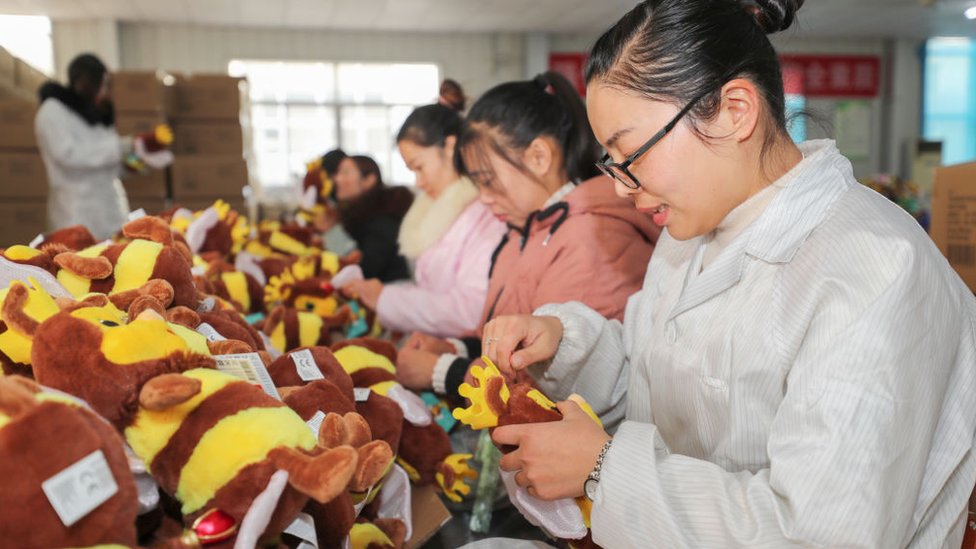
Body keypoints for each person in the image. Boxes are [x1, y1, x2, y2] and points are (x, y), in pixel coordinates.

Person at [481, 1, 976, 547]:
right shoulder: (688, 233)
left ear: (734, 110)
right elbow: (652, 381)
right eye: (610, 161)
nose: (621, 186)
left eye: (631, 153)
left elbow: (819, 533)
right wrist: (564, 346)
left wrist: (604, 470)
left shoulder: (875, 267)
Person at [395, 71, 659, 402]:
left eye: (489, 180)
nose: (484, 198)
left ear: (539, 156)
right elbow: (507, 332)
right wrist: (456, 346)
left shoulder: (591, 236)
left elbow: (553, 384)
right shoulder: (526, 230)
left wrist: (443, 372)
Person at [343, 89, 507, 338]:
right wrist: (387, 294)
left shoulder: (485, 213)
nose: (418, 182)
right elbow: (430, 289)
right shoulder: (437, 210)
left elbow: (470, 309)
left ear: (450, 147)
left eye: (419, 167)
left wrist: (388, 299)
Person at [35, 53, 167, 240]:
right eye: (101, 84)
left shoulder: (96, 115)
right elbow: (69, 156)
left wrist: (139, 162)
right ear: (82, 83)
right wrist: (125, 144)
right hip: (76, 214)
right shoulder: (53, 111)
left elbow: (111, 165)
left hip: (112, 213)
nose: (104, 92)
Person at [334, 154, 413, 282]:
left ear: (369, 180)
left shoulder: (382, 220)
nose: (337, 179)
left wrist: (331, 232)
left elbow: (365, 272)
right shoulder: (361, 214)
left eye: (345, 173)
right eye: (338, 173)